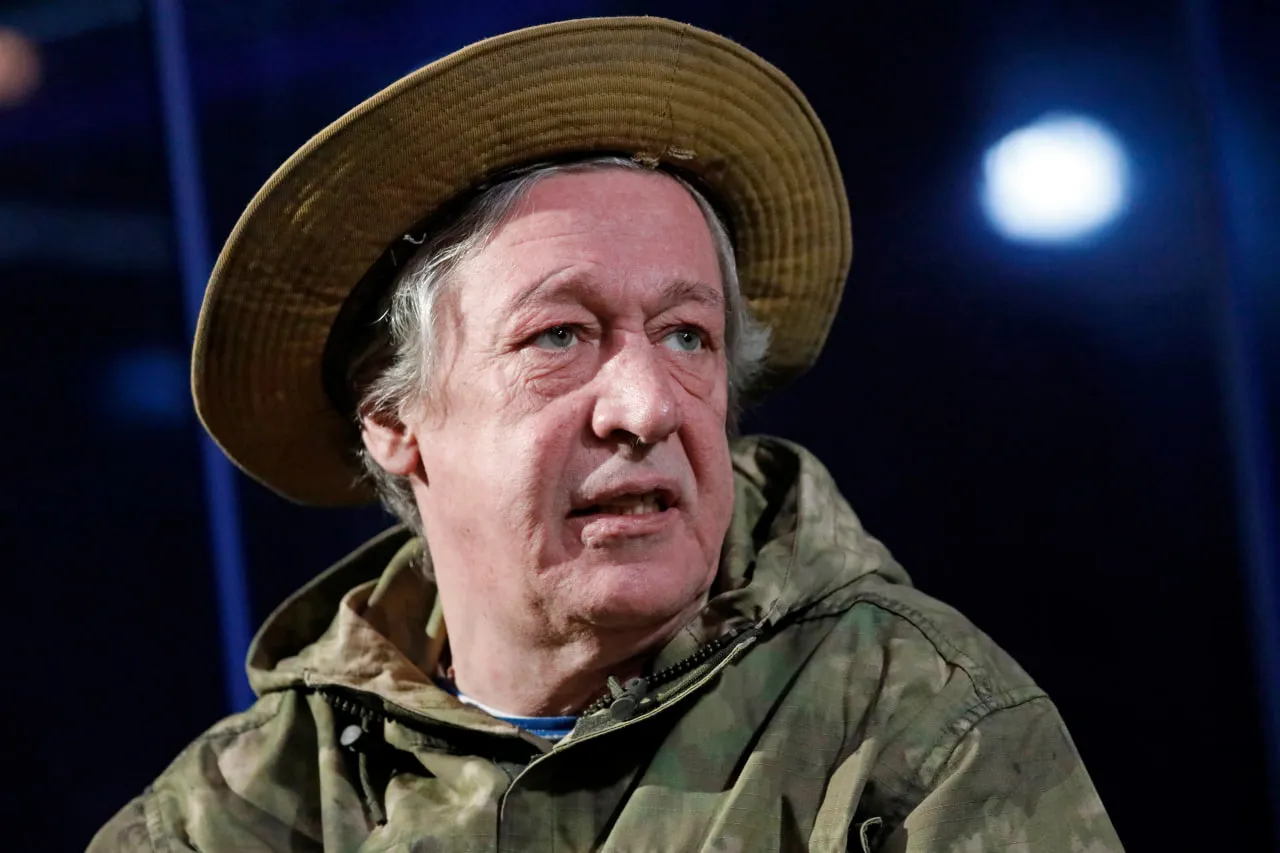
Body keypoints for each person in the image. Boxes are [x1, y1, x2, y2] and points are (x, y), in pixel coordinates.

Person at [90, 16, 1124, 852]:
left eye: (686, 336)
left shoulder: (914, 721)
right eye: (560, 336)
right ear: (395, 419)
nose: (647, 405)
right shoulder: (230, 815)